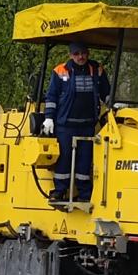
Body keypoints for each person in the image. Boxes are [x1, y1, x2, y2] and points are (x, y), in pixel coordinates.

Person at [41, 40, 109, 205]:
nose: (81, 57)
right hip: (65, 125)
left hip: (87, 125)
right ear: (70, 55)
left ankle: (85, 193)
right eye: (77, 54)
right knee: (64, 159)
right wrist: (49, 117)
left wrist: (115, 105)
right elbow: (52, 97)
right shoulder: (60, 71)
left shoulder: (97, 70)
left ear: (88, 53)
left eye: (83, 53)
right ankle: (59, 191)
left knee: (85, 161)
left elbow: (106, 92)